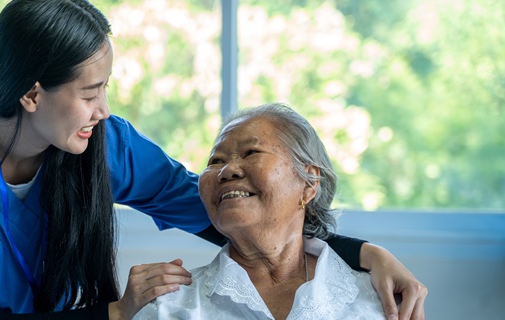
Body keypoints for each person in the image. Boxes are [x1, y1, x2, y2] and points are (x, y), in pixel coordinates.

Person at [0, 1, 426, 319]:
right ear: (31, 94)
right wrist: (115, 313)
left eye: (106, 87)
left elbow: (218, 206)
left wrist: (360, 251)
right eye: (90, 92)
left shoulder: (102, 143)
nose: (104, 109)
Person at [134, 103, 428, 320]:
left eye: (251, 153)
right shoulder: (167, 307)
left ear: (309, 182)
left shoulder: (383, 303)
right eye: (215, 160)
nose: (226, 170)